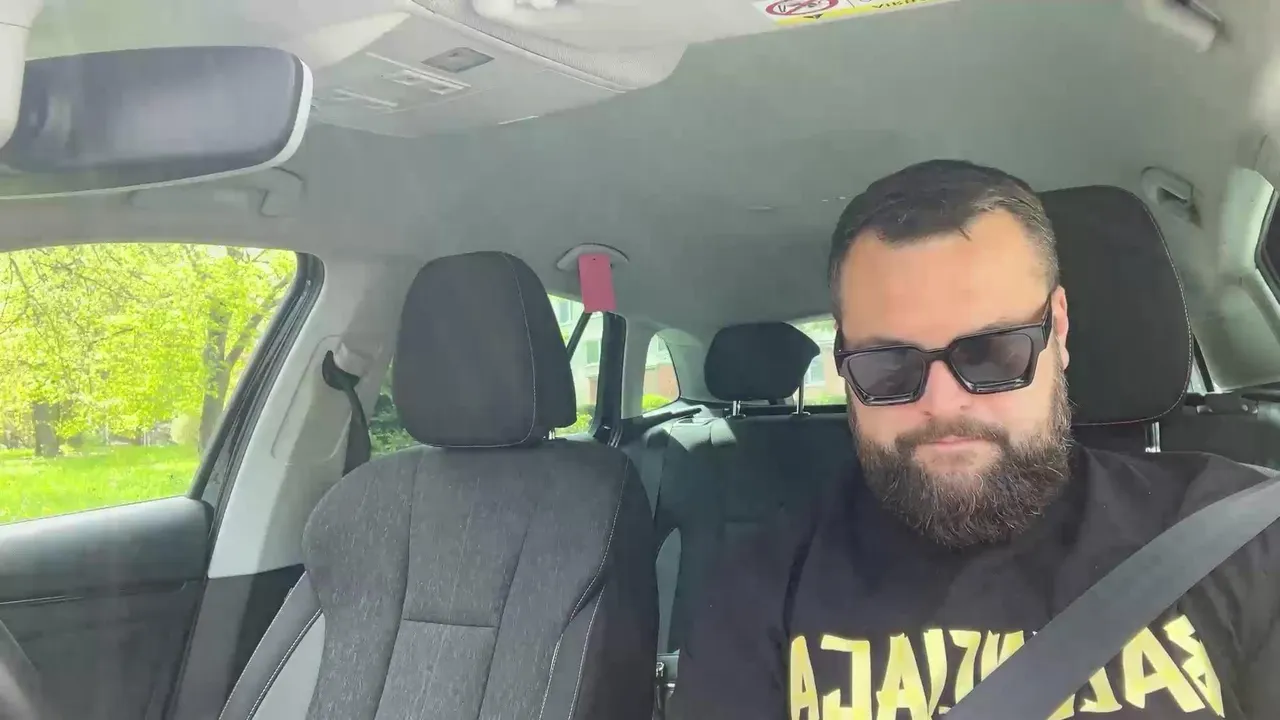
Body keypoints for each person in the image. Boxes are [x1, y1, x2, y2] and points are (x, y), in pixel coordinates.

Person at [668, 160, 1280, 719]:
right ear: (845, 365)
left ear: (1058, 329)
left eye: (990, 353)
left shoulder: (1238, 537)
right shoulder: (759, 590)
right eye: (889, 367)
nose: (942, 403)